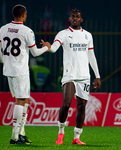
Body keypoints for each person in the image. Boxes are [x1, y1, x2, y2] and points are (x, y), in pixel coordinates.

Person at [0, 4, 51, 144]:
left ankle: (21, 132)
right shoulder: (27, 31)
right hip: (20, 71)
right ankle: (14, 137)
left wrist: (4, 62)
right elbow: (35, 53)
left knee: (24, 99)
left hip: (9, 70)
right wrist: (46, 48)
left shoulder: (3, 29)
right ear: (24, 15)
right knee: (20, 101)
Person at [48, 9, 101, 145]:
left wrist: (97, 76)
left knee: (82, 106)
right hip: (69, 74)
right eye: (73, 17)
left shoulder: (87, 35)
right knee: (66, 104)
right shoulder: (64, 34)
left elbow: (91, 56)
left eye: (78, 17)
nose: (75, 19)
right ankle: (61, 132)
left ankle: (76, 137)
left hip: (84, 76)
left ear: (81, 19)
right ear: (69, 19)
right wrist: (49, 47)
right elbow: (54, 48)